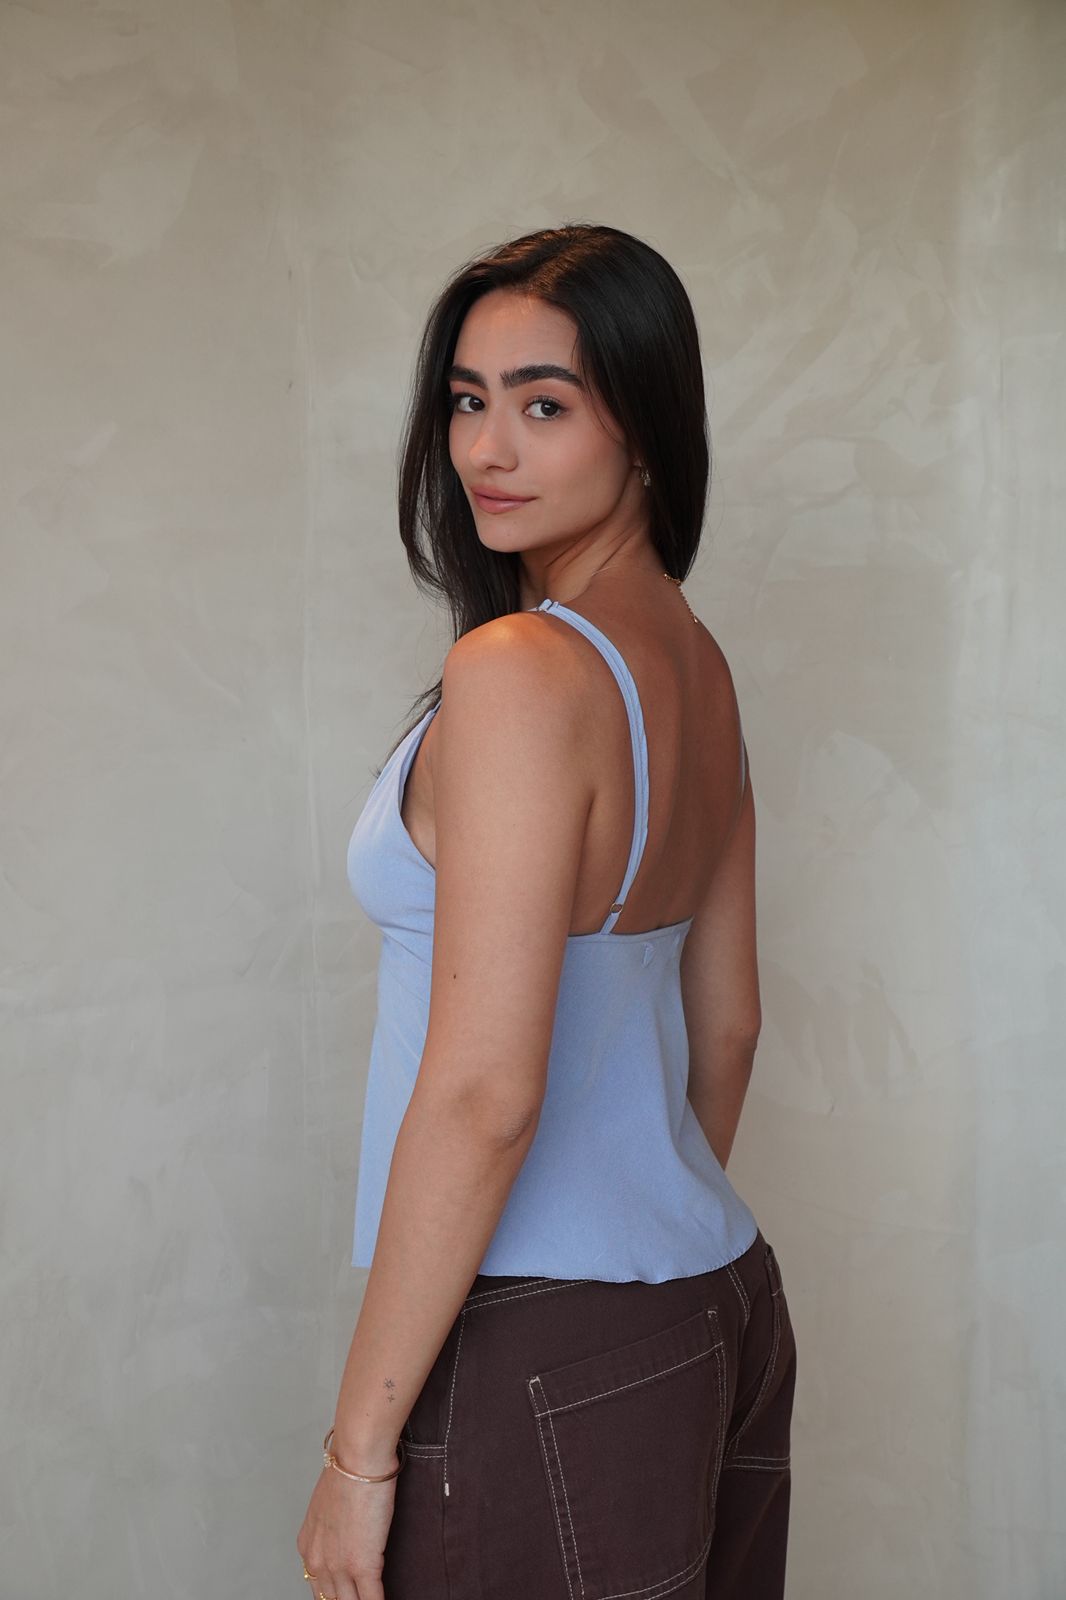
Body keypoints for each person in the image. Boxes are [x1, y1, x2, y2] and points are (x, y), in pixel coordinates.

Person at [297, 223, 797, 1600]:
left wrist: (357, 1452)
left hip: (535, 1336)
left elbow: (485, 1094)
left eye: (544, 405)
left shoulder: (519, 670)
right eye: (468, 401)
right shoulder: (695, 666)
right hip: (716, 1298)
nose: (486, 449)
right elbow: (731, 1027)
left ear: (646, 428)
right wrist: (640, 1265)